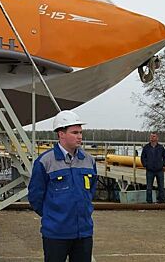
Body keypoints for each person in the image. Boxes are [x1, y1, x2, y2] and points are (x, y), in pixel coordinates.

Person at [28, 110, 97, 262]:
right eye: (74, 132)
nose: (79, 136)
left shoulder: (89, 160)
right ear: (61, 134)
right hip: (56, 234)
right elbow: (35, 196)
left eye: (80, 132)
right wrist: (53, 216)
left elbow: (91, 190)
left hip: (83, 233)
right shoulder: (45, 161)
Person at [140, 132, 165, 203]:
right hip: (150, 170)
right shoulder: (146, 147)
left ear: (157, 138)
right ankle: (149, 202)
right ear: (150, 138)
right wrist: (145, 165)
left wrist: (163, 164)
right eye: (151, 137)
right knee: (149, 187)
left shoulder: (161, 147)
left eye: (154, 136)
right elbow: (143, 157)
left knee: (161, 186)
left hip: (159, 170)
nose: (152, 138)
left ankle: (161, 201)